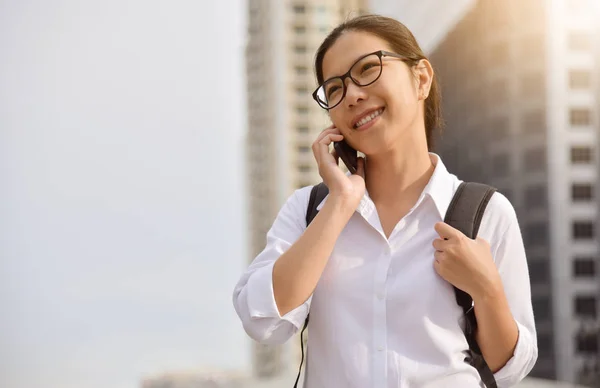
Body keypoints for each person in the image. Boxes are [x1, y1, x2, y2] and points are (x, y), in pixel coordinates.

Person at [232, 14, 537, 388]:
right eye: (334, 90)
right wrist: (340, 204)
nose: (354, 95)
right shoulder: (309, 210)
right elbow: (261, 320)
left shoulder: (484, 213)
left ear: (421, 78)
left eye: (367, 69)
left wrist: (486, 290)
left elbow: (510, 370)